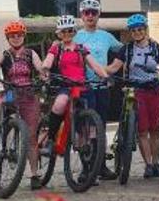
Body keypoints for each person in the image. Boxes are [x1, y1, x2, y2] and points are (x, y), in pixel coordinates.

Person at [0, 21, 44, 190]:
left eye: (19, 35)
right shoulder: (5, 54)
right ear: (8, 38)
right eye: (12, 36)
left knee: (31, 137)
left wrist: (45, 74)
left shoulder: (31, 53)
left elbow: (40, 67)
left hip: (28, 96)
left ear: (24, 36)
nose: (16, 38)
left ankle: (34, 175)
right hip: (9, 95)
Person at [107, 13, 159, 178]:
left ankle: (156, 163)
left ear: (145, 30)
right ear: (130, 32)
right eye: (134, 30)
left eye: (140, 29)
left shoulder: (155, 48)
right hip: (136, 92)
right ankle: (148, 164)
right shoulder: (127, 49)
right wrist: (97, 70)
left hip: (154, 91)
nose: (137, 32)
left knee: (155, 129)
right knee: (142, 130)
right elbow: (114, 67)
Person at [40, 15, 108, 153]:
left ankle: (90, 147)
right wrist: (45, 68)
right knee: (59, 104)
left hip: (82, 86)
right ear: (59, 33)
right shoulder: (57, 49)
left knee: (91, 114)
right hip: (65, 85)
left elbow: (94, 65)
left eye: (70, 31)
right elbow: (48, 60)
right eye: (63, 31)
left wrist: (106, 76)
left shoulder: (81, 49)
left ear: (74, 32)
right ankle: (51, 139)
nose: (67, 34)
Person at [75, 0, 121, 180]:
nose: (90, 16)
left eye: (93, 13)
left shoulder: (106, 36)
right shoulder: (76, 36)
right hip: (83, 88)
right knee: (85, 129)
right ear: (81, 15)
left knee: (100, 127)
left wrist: (112, 68)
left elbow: (122, 50)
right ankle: (86, 168)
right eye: (86, 12)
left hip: (102, 86)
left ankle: (100, 166)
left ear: (98, 15)